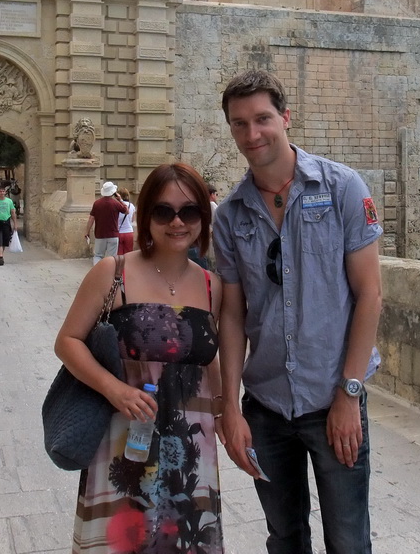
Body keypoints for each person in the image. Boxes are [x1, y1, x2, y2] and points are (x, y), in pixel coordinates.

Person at [213, 70, 383, 554]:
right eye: (239, 124)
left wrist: (350, 394)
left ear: (286, 118)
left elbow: (370, 295)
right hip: (265, 407)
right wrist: (229, 405)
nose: (253, 134)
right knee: (284, 537)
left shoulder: (344, 187)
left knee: (349, 541)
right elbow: (231, 315)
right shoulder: (230, 216)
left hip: (333, 397)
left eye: (263, 118)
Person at [55, 163, 224, 552]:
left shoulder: (214, 287)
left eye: (189, 211)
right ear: (145, 215)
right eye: (164, 211)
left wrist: (224, 412)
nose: (177, 222)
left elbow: (208, 359)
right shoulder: (112, 273)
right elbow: (67, 341)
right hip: (122, 438)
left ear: (203, 216)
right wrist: (114, 389)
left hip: (191, 447)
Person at [85, 181, 128, 265]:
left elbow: (91, 218)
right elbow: (126, 211)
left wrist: (87, 231)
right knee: (111, 258)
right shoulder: (116, 203)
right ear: (113, 192)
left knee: (98, 255)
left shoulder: (97, 203)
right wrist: (120, 200)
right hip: (113, 234)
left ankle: (97, 272)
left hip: (100, 234)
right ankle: (108, 274)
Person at [116, 187, 136, 255]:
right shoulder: (132, 206)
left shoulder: (117, 205)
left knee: (119, 254)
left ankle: (120, 266)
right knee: (129, 254)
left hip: (119, 232)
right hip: (129, 232)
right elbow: (133, 220)